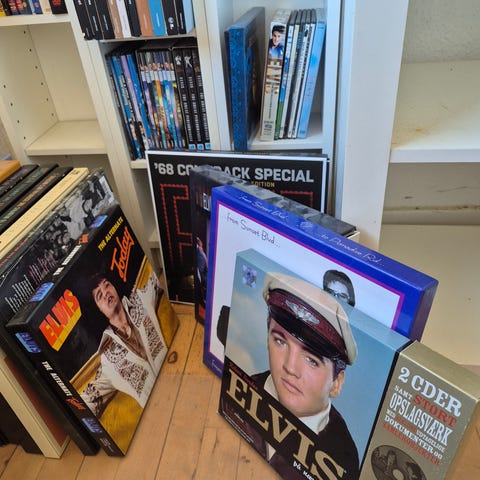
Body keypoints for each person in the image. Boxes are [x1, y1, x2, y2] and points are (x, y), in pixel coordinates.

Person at [222, 272, 360, 480]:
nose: (289, 367)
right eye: (280, 341)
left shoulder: (343, 457)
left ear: (336, 383)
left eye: (311, 360)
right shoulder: (239, 390)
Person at [80, 269, 167, 417]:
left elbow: (160, 275)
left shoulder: (141, 300)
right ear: (98, 310)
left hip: (177, 375)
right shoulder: (108, 359)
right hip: (159, 413)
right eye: (100, 295)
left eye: (107, 285)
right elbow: (87, 402)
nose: (106, 293)